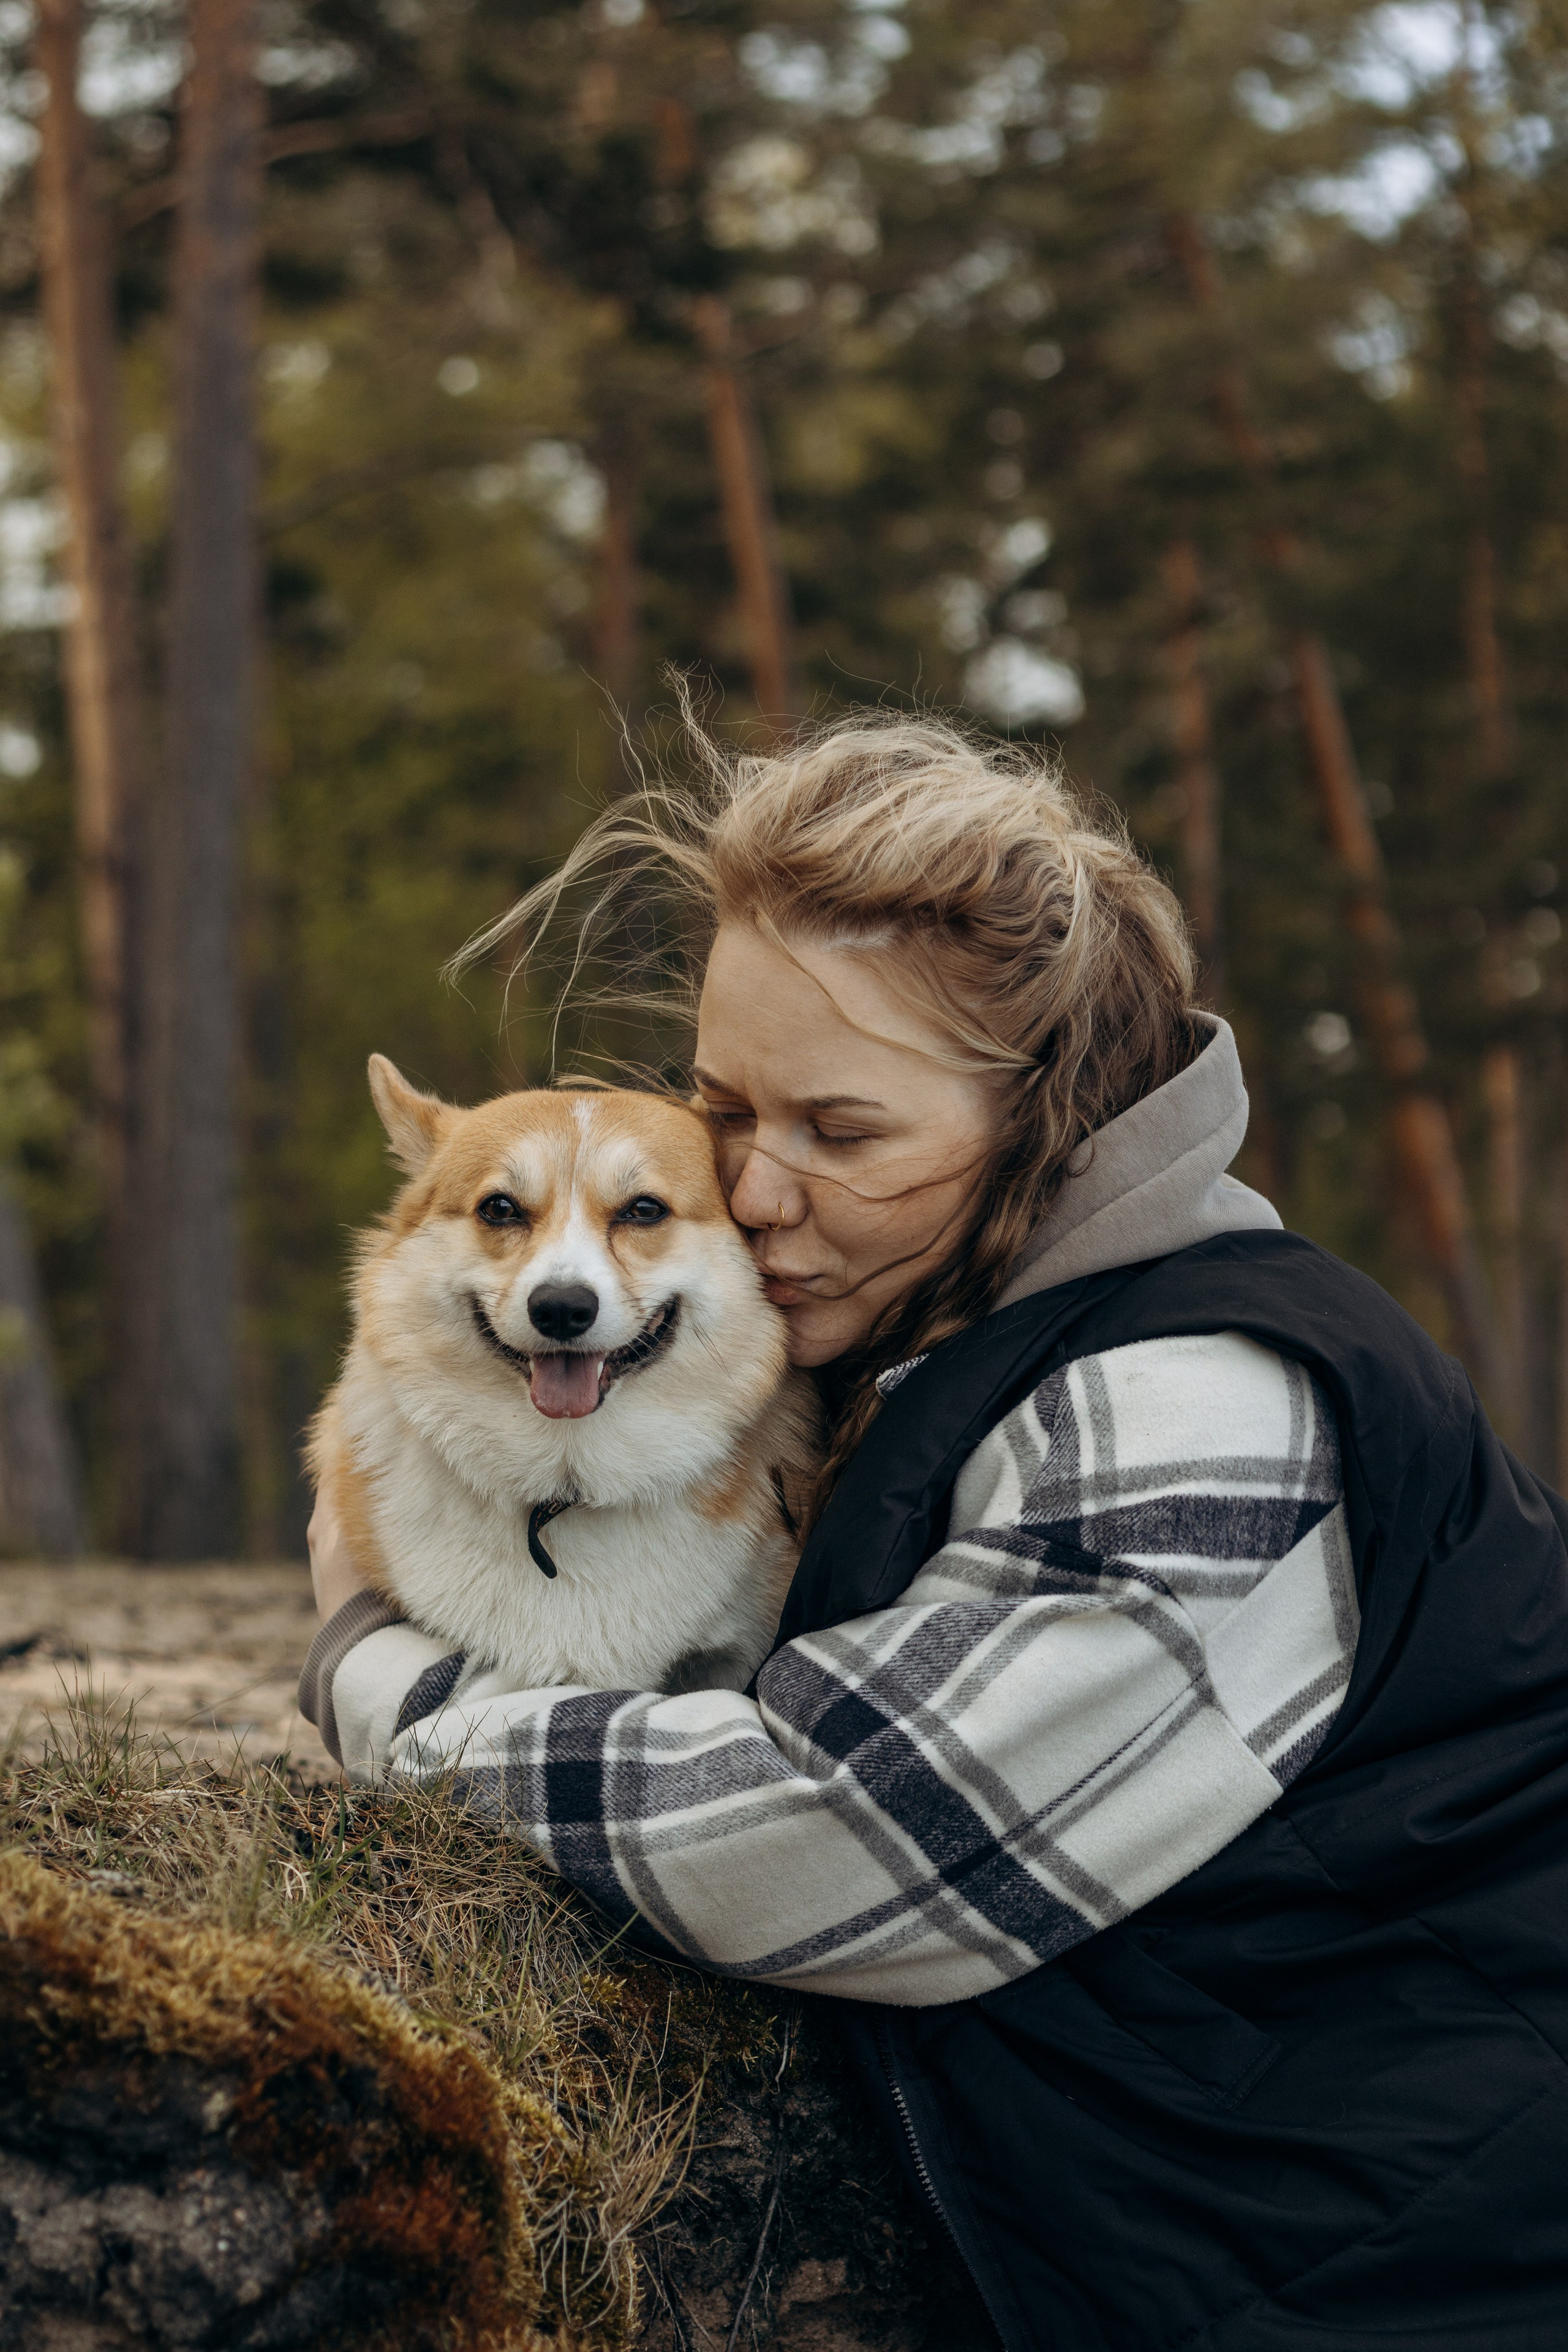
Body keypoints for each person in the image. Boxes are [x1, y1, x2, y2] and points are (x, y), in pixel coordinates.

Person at [301, 713, 1568, 2352]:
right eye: (725, 1111)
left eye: (842, 1133)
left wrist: (373, 1673)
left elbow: (834, 1835)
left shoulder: (1197, 1412)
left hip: (1421, 2281)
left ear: (1050, 1120)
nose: (749, 1192)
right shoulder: (945, 1352)